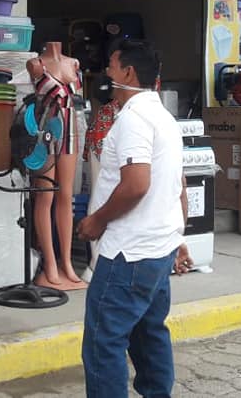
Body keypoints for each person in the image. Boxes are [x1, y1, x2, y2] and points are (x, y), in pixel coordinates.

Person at [77, 41, 192, 398]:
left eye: (111, 66)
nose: (105, 73)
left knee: (103, 342)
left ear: (128, 73)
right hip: (158, 250)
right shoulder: (165, 119)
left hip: (128, 254)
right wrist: (178, 239)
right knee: (149, 334)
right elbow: (177, 184)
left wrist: (97, 221)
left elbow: (137, 184)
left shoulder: (134, 119)